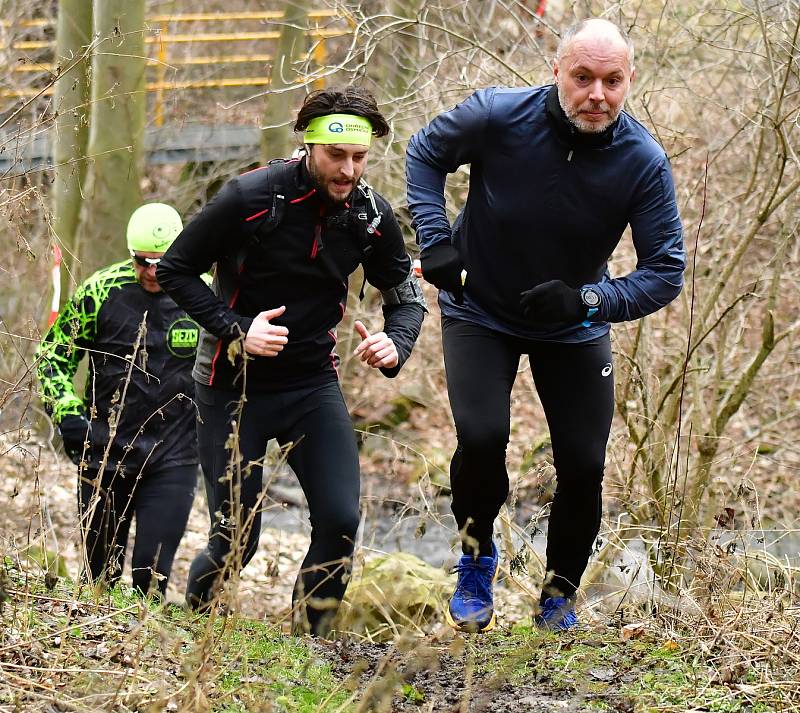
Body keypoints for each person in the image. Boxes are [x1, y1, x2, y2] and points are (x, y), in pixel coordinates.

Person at [406, 18, 685, 632]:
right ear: (557, 72)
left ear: (628, 81)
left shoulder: (642, 160)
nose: (597, 95)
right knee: (481, 437)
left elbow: (665, 271)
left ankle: (558, 593)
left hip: (573, 325)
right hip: (479, 306)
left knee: (583, 464)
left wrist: (589, 299)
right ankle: (477, 561)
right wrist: (435, 238)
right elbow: (424, 153)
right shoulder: (497, 116)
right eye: (582, 77)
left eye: (612, 81)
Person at [157, 86, 426, 636]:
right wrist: (237, 330)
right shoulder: (250, 196)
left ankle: (311, 643)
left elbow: (406, 297)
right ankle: (198, 630)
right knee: (237, 536)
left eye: (360, 158)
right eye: (337, 156)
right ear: (309, 147)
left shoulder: (371, 216)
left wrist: (396, 342)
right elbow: (175, 270)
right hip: (231, 383)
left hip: (310, 384)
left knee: (340, 522)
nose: (348, 170)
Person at [37, 203, 200, 597]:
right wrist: (68, 413)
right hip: (106, 451)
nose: (153, 272)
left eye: (163, 262)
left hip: (174, 455)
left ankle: (150, 654)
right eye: (143, 262)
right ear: (130, 254)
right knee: (100, 579)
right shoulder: (99, 291)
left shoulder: (205, 293)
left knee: (150, 578)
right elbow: (52, 358)